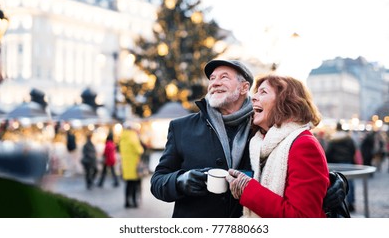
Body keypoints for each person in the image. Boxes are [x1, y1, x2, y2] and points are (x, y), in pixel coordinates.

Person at [150, 60, 255, 217]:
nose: (215, 83)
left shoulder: (260, 128)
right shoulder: (181, 127)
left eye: (224, 77)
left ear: (244, 88)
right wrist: (180, 181)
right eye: (212, 78)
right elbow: (157, 182)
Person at [225, 74, 330, 217]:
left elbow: (301, 217)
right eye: (256, 92)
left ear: (285, 102)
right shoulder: (259, 145)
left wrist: (248, 189)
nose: (253, 97)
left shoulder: (304, 145)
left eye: (263, 92)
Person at [325, 122, 356, 212]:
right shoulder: (348, 138)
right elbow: (353, 149)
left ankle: (339, 204)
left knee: (337, 184)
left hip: (336, 164)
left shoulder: (333, 138)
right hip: (347, 162)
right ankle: (351, 203)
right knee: (350, 183)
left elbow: (329, 152)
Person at [119, 125, 144, 208]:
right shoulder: (132, 136)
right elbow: (139, 150)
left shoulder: (122, 138)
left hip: (126, 165)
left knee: (128, 184)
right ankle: (134, 202)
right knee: (134, 184)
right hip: (133, 165)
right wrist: (141, 149)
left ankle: (126, 202)